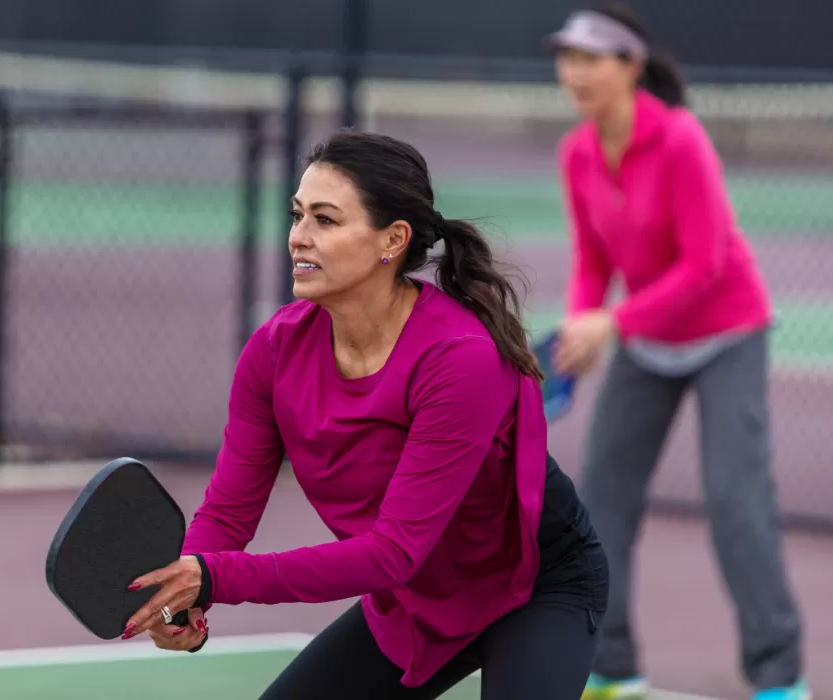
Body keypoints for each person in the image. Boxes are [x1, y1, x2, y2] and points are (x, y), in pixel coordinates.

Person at [118, 130, 608, 699]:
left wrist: (218, 577)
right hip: (416, 594)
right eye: (297, 215)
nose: (299, 238)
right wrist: (190, 590)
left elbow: (392, 552)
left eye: (326, 220)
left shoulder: (459, 359)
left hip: (536, 583)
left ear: (392, 240)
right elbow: (229, 510)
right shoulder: (273, 353)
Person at [544, 4, 809, 700]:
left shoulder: (682, 140)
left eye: (590, 58)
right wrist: (581, 324)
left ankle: (780, 677)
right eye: (566, 57)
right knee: (598, 502)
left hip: (728, 332)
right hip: (646, 338)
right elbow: (591, 258)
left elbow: (705, 265)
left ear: (630, 66)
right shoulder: (576, 151)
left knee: (735, 503)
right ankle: (613, 665)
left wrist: (612, 324)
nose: (574, 72)